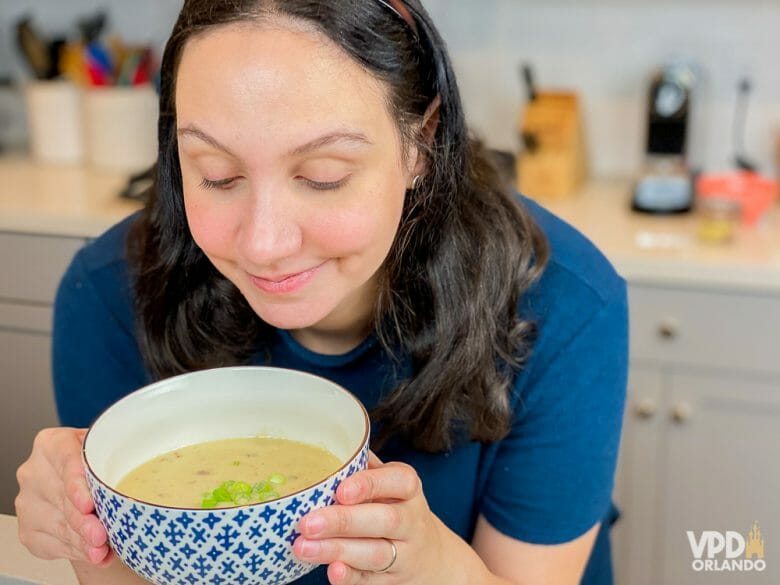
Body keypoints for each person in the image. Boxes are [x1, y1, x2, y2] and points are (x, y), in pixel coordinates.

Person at [14, 1, 628, 584]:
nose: (264, 243)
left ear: (421, 141)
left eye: (322, 177)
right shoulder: (112, 294)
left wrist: (431, 565)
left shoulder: (563, 305)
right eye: (217, 176)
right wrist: (83, 531)